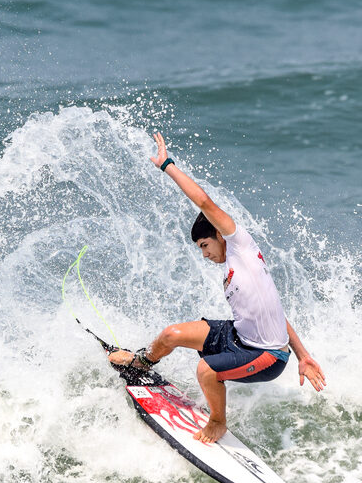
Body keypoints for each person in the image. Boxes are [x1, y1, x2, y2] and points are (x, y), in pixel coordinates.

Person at [109, 132, 325, 444]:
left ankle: (218, 421)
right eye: (199, 248)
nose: (205, 253)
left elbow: (203, 201)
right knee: (171, 335)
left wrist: (167, 165)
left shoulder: (241, 246)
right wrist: (304, 355)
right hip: (239, 336)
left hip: (268, 355)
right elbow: (274, 313)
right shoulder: (235, 270)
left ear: (220, 235)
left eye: (205, 244)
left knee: (206, 370)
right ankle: (140, 362)